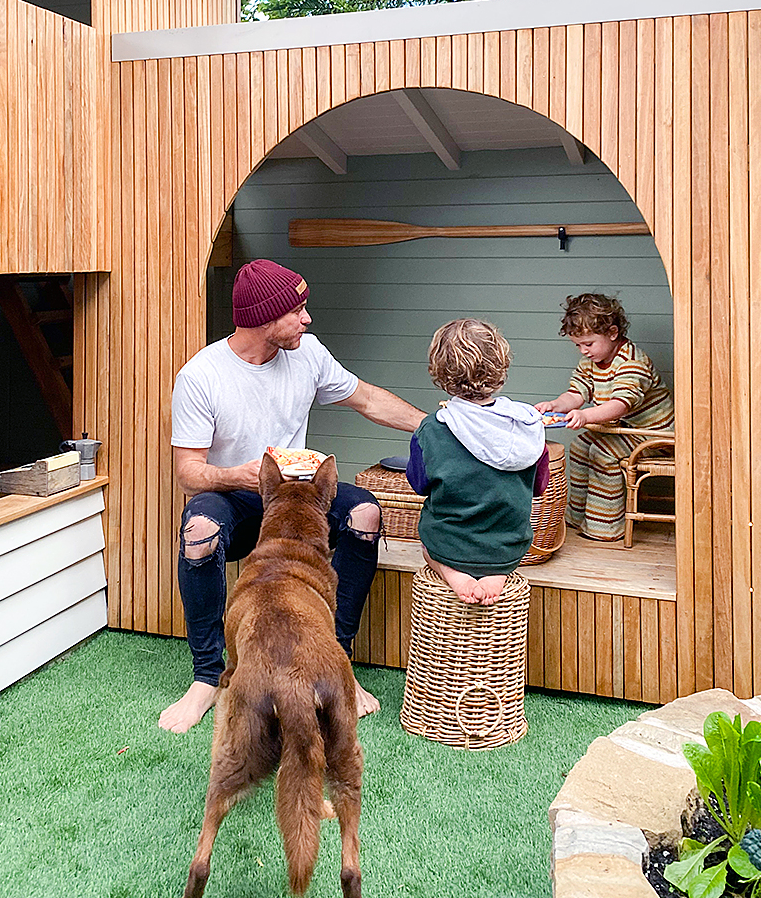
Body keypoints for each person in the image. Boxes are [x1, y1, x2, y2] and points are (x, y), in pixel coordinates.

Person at [161, 259, 425, 734]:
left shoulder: (308, 354)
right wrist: (238, 475)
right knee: (199, 530)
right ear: (265, 317)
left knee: (364, 512)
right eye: (297, 310)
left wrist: (434, 427)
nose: (307, 318)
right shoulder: (201, 376)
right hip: (236, 495)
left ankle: (338, 660)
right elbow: (189, 473)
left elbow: (366, 399)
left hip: (297, 498)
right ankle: (207, 676)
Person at [406, 319, 548, 605]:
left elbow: (419, 484)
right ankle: (500, 572)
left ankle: (450, 571)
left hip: (449, 544)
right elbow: (539, 487)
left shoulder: (432, 428)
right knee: (498, 549)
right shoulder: (527, 424)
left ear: (439, 371)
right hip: (510, 545)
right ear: (501, 368)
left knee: (426, 548)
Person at [534, 292, 673, 542]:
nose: (583, 351)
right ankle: (577, 516)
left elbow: (620, 405)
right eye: (578, 345)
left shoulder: (632, 363)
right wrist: (556, 404)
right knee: (579, 446)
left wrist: (585, 416)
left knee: (602, 452)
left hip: (654, 435)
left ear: (612, 332)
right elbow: (576, 393)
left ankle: (604, 526)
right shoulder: (592, 362)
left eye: (588, 343)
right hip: (624, 431)